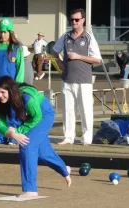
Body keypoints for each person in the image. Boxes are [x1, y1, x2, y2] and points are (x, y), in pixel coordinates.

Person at [0, 76, 71, 198]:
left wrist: (19, 131)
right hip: (29, 118)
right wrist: (13, 134)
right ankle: (64, 169)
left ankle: (30, 190)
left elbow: (37, 117)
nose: (0, 95)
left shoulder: (26, 97)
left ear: (10, 91)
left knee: (27, 145)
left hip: (44, 115)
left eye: (3, 92)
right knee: (43, 153)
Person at [52, 8, 102, 146]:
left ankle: (87, 138)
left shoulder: (88, 37)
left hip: (84, 80)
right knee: (68, 110)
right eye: (72, 19)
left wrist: (79, 57)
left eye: (77, 19)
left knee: (85, 110)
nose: (74, 22)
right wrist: (60, 64)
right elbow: (54, 52)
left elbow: (97, 59)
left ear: (83, 20)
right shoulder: (66, 36)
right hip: (67, 79)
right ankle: (68, 137)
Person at [0, 17, 25, 145]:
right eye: (0, 32)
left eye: (5, 32)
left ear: (10, 32)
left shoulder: (16, 48)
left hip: (11, 85)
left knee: (13, 111)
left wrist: (18, 84)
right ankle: (0, 137)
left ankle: (13, 137)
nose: (2, 35)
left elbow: (20, 67)